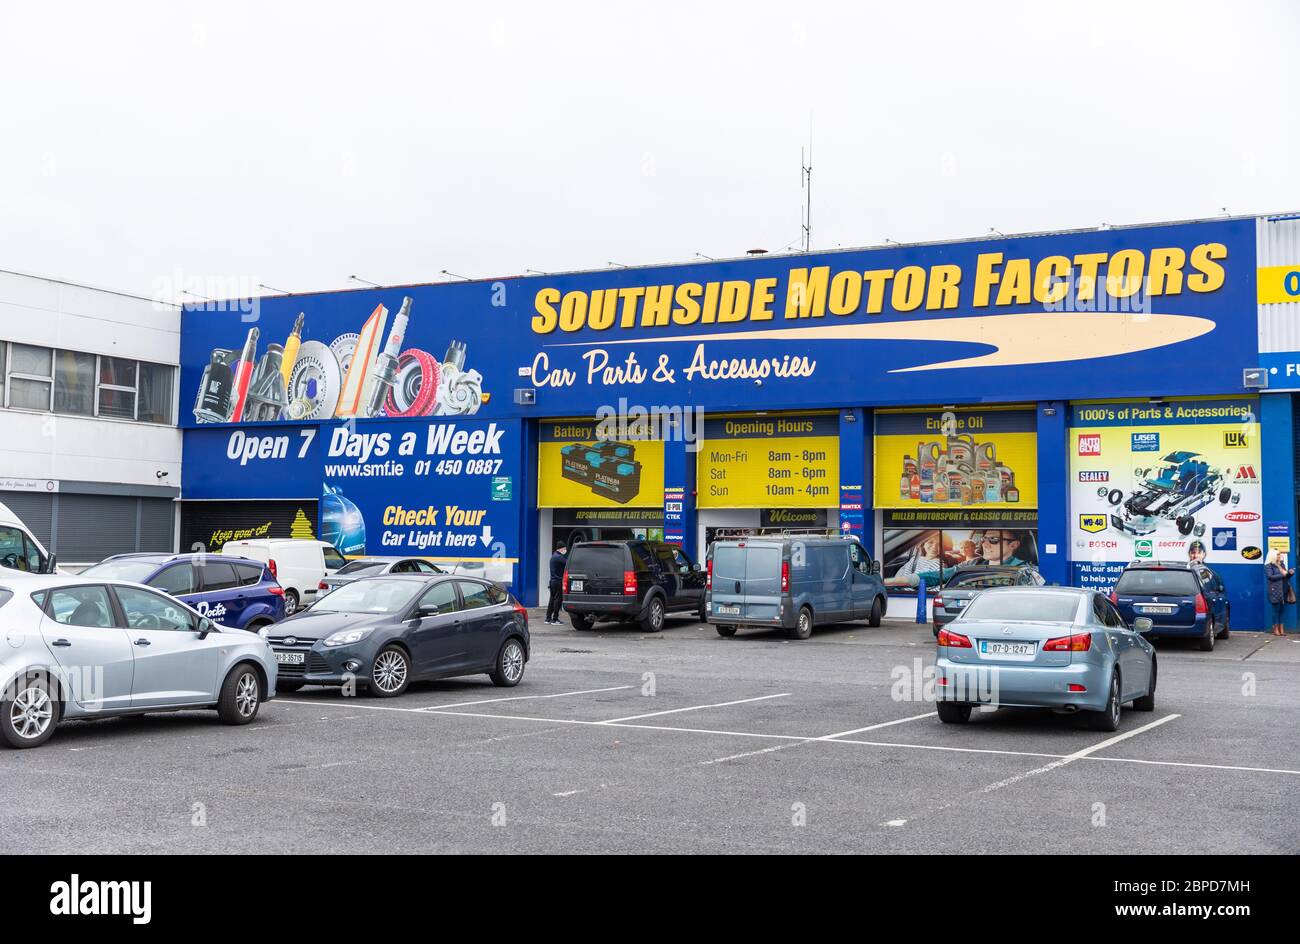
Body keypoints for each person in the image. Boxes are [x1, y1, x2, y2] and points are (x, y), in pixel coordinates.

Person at [1265, 548, 1293, 637]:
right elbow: (1270, 577)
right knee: (1275, 610)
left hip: (1283, 589)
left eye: (1279, 554)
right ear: (1273, 556)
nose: (1279, 556)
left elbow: (1286, 577)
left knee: (1282, 610)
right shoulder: (1269, 566)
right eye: (1277, 554)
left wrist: (1290, 573)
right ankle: (1275, 629)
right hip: (1275, 590)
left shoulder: (1282, 564)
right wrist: (1283, 574)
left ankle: (1282, 629)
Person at [545, 542, 568, 624]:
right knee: (557, 600)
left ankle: (548, 618)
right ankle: (555, 619)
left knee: (552, 600)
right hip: (558, 581)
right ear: (561, 548)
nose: (565, 550)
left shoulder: (553, 556)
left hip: (553, 581)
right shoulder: (559, 557)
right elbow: (568, 563)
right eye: (565, 549)